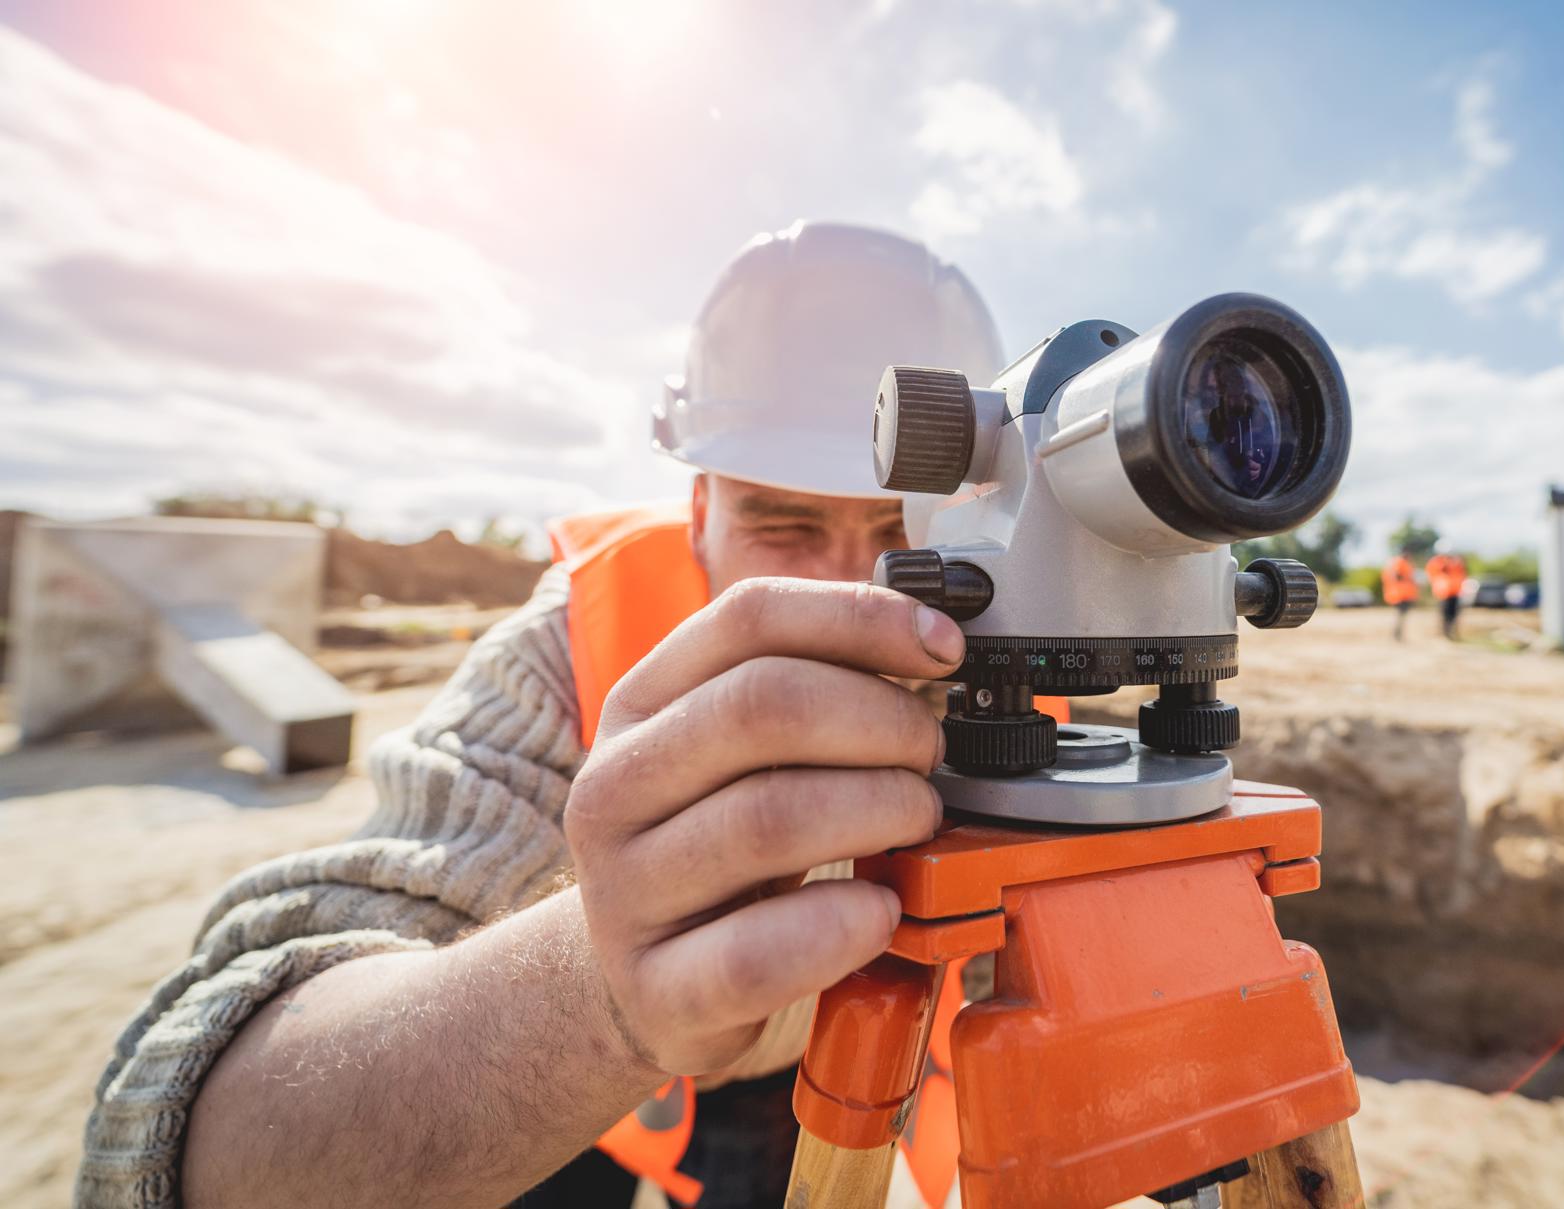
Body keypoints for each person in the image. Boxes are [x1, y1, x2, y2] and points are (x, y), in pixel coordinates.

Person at [78, 221, 1024, 1209]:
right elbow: (171, 1137)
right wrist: (599, 998)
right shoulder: (566, 653)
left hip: (809, 1088)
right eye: (782, 523)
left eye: (906, 530)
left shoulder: (1019, 648)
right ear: (698, 508)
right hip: (572, 1106)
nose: (855, 593)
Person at [1425, 545, 1468, 641]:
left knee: (1454, 614)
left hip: (1455, 592)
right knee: (1445, 614)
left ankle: (1452, 632)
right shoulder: (1437, 562)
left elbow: (1462, 571)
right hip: (1444, 593)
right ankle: (1445, 633)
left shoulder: (1456, 562)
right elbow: (1436, 572)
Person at [1381, 545, 1418, 640]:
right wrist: (1409, 579)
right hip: (1400, 594)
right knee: (1400, 615)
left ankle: (1398, 634)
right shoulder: (1399, 562)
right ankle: (1397, 635)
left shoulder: (1404, 562)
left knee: (1401, 615)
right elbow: (1397, 576)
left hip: (1404, 594)